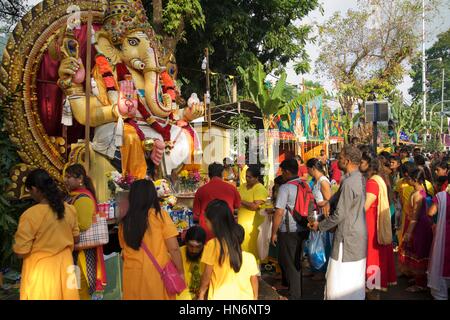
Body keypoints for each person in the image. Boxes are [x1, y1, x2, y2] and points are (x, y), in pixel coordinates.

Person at [308, 145, 367, 300]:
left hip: (347, 237)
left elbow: (339, 214)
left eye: (340, 158)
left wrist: (320, 226)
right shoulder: (357, 178)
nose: (337, 160)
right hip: (356, 234)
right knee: (352, 277)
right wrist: (329, 201)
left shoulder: (349, 182)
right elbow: (338, 197)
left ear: (347, 161)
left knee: (340, 280)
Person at [13, 169, 80, 300]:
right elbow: (76, 238)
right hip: (68, 267)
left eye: (29, 191)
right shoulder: (70, 209)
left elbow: (21, 252)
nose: (30, 194)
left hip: (43, 272)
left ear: (34, 189)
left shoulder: (30, 215)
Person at [119, 179, 184, 299]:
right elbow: (174, 248)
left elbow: (124, 252)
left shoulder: (124, 222)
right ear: (152, 196)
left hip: (132, 276)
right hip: (156, 276)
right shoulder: (160, 216)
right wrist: (180, 272)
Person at [198, 200, 260, 300]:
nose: (205, 224)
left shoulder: (212, 244)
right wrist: (255, 297)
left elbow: (207, 276)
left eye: (206, 221)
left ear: (214, 222)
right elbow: (254, 280)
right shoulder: (247, 255)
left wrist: (201, 293)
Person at [64, 164, 107, 300]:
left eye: (69, 177)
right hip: (76, 249)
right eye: (65, 176)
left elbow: (83, 225)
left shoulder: (82, 199)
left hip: (81, 251)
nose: (65, 180)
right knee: (75, 287)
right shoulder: (74, 196)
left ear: (80, 179)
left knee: (79, 287)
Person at [359, 151, 397, 298]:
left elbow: (364, 206)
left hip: (372, 227)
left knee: (372, 258)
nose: (359, 165)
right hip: (374, 224)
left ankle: (372, 293)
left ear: (369, 165)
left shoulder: (373, 182)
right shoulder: (378, 179)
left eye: (362, 162)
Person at [271, 158, 310, 300]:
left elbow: (279, 212)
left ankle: (295, 295)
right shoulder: (304, 184)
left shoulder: (285, 188)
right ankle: (294, 290)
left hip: (289, 230)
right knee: (296, 261)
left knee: (292, 265)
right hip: (302, 228)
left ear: (287, 171)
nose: (281, 174)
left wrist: (273, 233)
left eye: (282, 171)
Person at [399, 168, 434, 293]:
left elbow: (415, 217)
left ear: (414, 180)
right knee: (416, 252)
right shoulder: (421, 191)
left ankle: (420, 284)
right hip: (418, 225)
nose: (407, 180)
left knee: (418, 253)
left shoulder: (418, 195)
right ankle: (418, 278)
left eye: (408, 178)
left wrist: (408, 233)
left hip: (418, 228)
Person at [193, 162, 241, 240]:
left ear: (209, 174)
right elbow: (238, 206)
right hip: (226, 230)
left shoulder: (201, 190)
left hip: (206, 231)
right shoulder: (232, 188)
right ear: (222, 174)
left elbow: (196, 213)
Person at [306, 158, 333, 281]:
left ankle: (322, 271)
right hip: (316, 215)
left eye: (308, 169)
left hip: (323, 217)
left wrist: (318, 203)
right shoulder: (316, 181)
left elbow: (329, 200)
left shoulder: (323, 181)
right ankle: (316, 269)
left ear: (312, 168)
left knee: (322, 245)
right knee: (314, 245)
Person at [238, 164, 269, 261]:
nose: (247, 179)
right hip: (242, 222)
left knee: (254, 249)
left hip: (254, 224)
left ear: (256, 178)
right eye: (246, 176)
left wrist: (242, 201)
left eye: (250, 177)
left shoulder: (260, 188)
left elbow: (254, 207)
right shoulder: (243, 186)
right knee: (243, 247)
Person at [427, 183, 450, 300]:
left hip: (445, 234)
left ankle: (442, 292)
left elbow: (431, 212)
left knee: (444, 259)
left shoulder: (442, 196)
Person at [176, 226, 206, 300]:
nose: (194, 250)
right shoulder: (177, 254)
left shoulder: (208, 255)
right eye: (191, 246)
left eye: (198, 247)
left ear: (203, 245)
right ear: (186, 242)